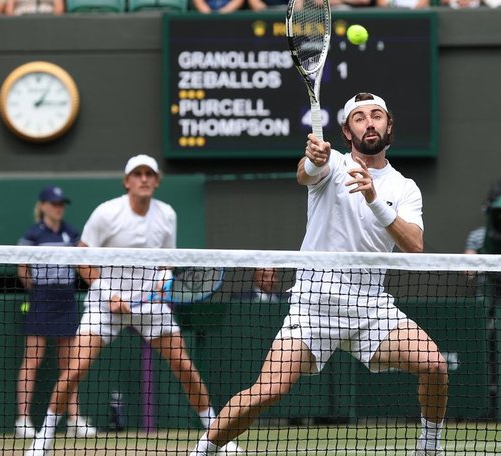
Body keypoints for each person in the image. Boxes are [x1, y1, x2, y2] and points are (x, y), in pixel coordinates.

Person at [190, 92, 448, 456]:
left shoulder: (404, 188)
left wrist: (375, 199)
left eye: (377, 116)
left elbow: (415, 246)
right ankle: (204, 449)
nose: (369, 123)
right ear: (346, 131)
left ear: (389, 125)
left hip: (371, 310)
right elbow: (307, 173)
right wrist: (314, 161)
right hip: (314, 306)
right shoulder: (334, 166)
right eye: (360, 118)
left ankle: (429, 448)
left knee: (434, 366)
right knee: (268, 391)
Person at [25, 155, 242, 456]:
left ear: (156, 181)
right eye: (137, 174)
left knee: (185, 368)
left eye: (149, 174)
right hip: (105, 305)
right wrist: (107, 294)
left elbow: (167, 260)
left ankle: (218, 438)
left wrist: (165, 283)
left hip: (150, 307)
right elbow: (81, 256)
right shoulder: (106, 213)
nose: (143, 179)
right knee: (75, 370)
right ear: (127, 181)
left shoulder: (167, 214)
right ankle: (43, 440)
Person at [14, 186, 96, 439]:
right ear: (43, 206)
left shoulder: (71, 233)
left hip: (66, 299)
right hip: (41, 299)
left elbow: (82, 261)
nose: (58, 207)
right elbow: (22, 268)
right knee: (32, 360)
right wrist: (36, 291)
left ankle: (74, 420)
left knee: (70, 364)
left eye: (61, 203)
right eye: (54, 203)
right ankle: (23, 421)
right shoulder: (32, 234)